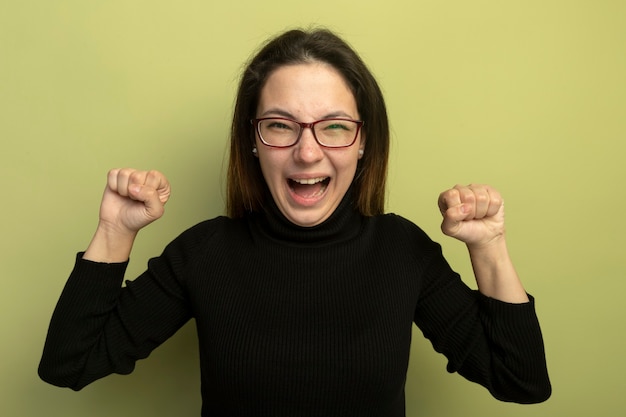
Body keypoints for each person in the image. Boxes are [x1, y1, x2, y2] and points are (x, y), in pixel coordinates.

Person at [38, 28, 551, 416]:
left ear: (364, 141)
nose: (308, 152)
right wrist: (115, 230)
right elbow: (69, 365)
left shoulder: (402, 250)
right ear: (253, 141)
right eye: (281, 125)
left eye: (334, 127)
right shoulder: (204, 253)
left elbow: (520, 381)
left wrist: (489, 247)